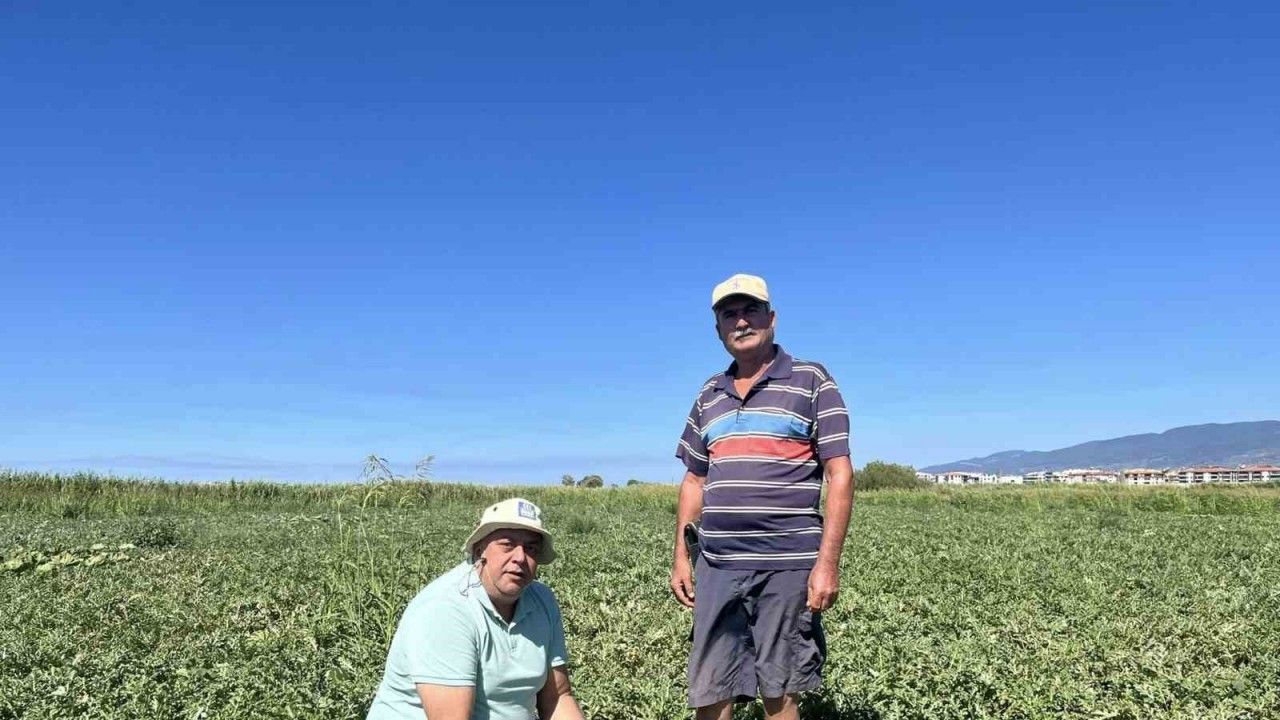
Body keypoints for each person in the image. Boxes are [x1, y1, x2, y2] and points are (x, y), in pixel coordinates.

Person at [670, 273, 855, 720]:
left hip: (786, 565)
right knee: (710, 687)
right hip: (717, 564)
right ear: (718, 328)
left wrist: (827, 565)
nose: (741, 321)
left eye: (751, 310)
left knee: (781, 688)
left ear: (771, 318)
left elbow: (840, 474)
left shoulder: (811, 380)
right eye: (729, 314)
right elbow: (694, 479)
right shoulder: (709, 393)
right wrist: (681, 556)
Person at [368, 498, 585, 720]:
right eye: (507, 544)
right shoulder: (446, 609)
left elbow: (557, 697)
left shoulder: (542, 601)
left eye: (530, 548)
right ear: (480, 549)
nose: (520, 557)